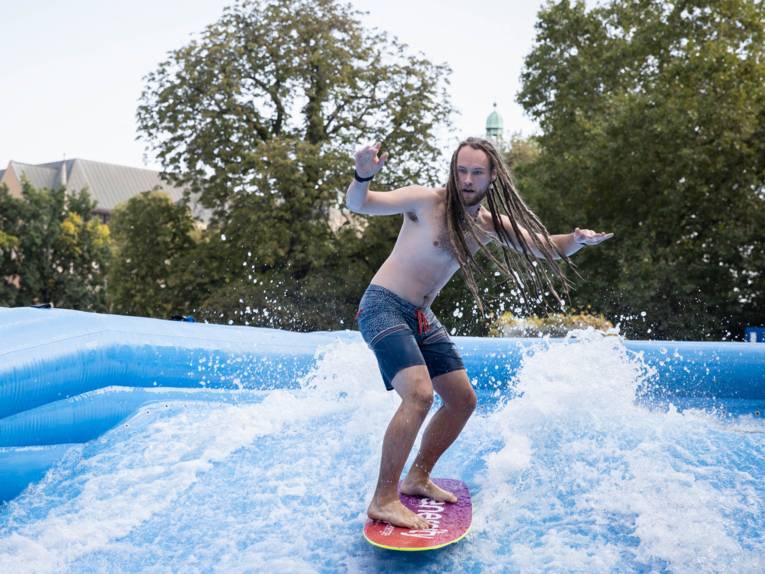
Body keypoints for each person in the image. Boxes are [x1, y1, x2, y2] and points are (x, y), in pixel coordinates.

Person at [346, 137, 612, 529]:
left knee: (461, 400)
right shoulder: (425, 202)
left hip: (420, 315)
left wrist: (576, 241)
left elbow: (546, 249)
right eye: (461, 170)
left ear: (492, 178)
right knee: (419, 395)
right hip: (383, 305)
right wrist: (362, 175)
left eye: (476, 173)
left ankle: (417, 476)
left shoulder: (488, 225)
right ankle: (384, 498)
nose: (467, 179)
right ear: (453, 171)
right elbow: (360, 204)